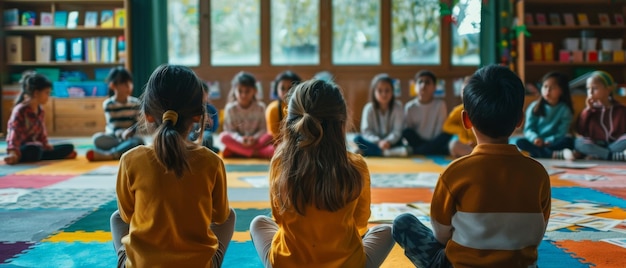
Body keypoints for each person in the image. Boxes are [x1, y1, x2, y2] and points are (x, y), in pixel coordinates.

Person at [392, 65, 551, 268]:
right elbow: (537, 233)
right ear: (520, 119)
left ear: (466, 120)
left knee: (403, 223)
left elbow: (441, 235)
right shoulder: (538, 174)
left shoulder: (455, 172)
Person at [249, 79, 395, 268]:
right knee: (388, 230)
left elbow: (278, 219)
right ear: (342, 123)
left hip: (287, 263)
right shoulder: (356, 165)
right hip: (347, 264)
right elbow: (360, 224)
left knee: (258, 222)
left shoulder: (280, 161)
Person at [110, 64, 235, 267]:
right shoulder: (212, 162)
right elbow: (220, 216)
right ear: (197, 115)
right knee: (230, 216)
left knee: (116, 218)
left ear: (148, 115)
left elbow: (126, 215)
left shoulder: (130, 160)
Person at [4, 72, 76, 165]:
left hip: (38, 146)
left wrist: (46, 145)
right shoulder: (20, 110)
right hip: (23, 148)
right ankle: (17, 157)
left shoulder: (40, 110)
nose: (48, 96)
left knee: (69, 147)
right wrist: (13, 152)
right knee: (34, 150)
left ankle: (45, 155)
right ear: (36, 93)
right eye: (46, 93)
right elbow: (14, 134)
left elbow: (42, 133)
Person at [86, 67, 144, 161]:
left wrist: (130, 132)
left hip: (130, 138)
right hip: (114, 138)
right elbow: (114, 126)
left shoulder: (135, 103)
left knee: (138, 141)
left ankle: (109, 154)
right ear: (113, 86)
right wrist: (122, 135)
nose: (129, 86)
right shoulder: (108, 104)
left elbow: (137, 124)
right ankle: (121, 150)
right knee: (97, 139)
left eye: (129, 83)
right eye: (124, 84)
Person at [516, 72, 575, 160]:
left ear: (562, 91)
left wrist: (549, 140)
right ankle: (552, 154)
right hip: (536, 142)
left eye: (553, 87)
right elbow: (528, 129)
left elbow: (562, 131)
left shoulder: (565, 110)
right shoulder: (534, 107)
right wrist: (535, 138)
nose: (547, 90)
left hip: (553, 142)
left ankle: (539, 153)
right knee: (519, 142)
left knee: (569, 141)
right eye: (545, 86)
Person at [219, 71, 274, 158]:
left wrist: (254, 138)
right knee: (223, 137)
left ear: (254, 91)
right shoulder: (230, 108)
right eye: (240, 91)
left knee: (269, 136)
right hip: (239, 141)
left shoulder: (261, 107)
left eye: (247, 91)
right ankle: (256, 153)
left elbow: (263, 129)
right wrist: (241, 139)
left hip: (256, 141)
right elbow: (230, 131)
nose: (243, 95)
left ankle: (237, 151)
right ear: (234, 91)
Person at [574, 70, 626, 161]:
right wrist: (588, 110)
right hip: (595, 144)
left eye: (595, 88)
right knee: (579, 142)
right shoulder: (589, 110)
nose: (590, 92)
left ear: (608, 89)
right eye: (588, 88)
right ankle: (611, 156)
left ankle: (599, 155)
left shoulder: (621, 109)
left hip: (615, 144)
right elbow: (581, 130)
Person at [353, 73, 406, 157]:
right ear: (374, 92)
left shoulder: (398, 107)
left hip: (392, 143)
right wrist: (379, 142)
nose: (384, 94)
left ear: (392, 91)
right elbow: (366, 131)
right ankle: (386, 153)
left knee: (403, 138)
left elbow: (397, 131)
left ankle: (373, 152)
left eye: (387, 90)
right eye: (380, 90)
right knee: (357, 139)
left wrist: (388, 141)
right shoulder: (368, 108)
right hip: (375, 143)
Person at [402, 70, 450, 155]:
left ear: (434, 87)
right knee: (406, 132)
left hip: (435, 141)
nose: (423, 85)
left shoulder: (440, 104)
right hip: (418, 141)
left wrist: (430, 144)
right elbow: (409, 130)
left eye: (427, 82)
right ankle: (427, 150)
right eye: (420, 82)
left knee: (447, 134)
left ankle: (421, 150)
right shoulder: (410, 107)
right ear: (415, 86)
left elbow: (440, 129)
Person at [442, 76, 476, 158]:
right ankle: (475, 157)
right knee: (453, 145)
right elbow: (446, 126)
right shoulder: (459, 110)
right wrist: (460, 130)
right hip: (467, 146)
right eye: (462, 91)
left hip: (481, 146)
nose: (464, 95)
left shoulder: (480, 109)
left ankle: (477, 157)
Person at [265, 70, 302, 139]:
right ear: (276, 89)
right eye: (282, 88)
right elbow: (274, 136)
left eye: (290, 88)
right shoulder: (272, 109)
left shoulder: (303, 106)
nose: (286, 92)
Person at [188, 82, 220, 153]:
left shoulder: (211, 109)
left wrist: (209, 125)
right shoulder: (189, 108)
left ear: (207, 94)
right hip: (192, 134)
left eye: (203, 93)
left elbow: (214, 127)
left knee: (207, 136)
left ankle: (204, 149)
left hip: (204, 133)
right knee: (189, 137)